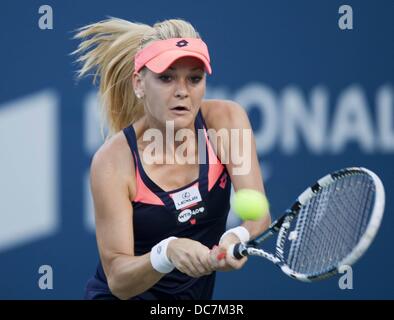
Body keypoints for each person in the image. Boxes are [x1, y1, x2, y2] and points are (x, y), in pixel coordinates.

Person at [72, 17, 271, 300]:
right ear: (139, 84)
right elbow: (118, 279)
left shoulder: (227, 121)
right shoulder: (113, 162)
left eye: (194, 78)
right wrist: (166, 253)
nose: (182, 91)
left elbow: (258, 215)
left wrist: (236, 237)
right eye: (166, 77)